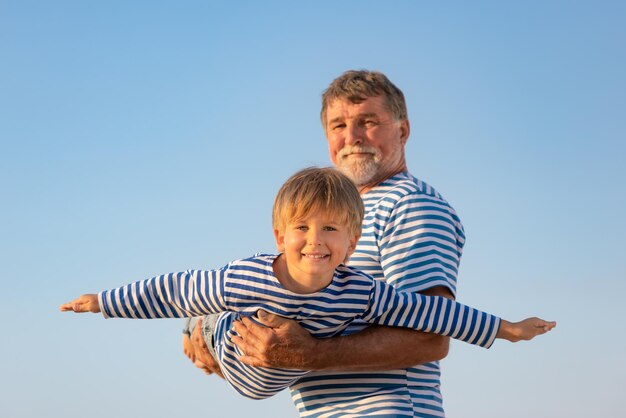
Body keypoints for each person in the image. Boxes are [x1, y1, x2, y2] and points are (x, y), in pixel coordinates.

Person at [184, 70, 545, 417]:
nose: (353, 136)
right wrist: (206, 329)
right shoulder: (335, 217)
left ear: (403, 131)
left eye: (368, 121)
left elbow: (431, 335)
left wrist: (310, 354)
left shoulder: (410, 205)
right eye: (339, 125)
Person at [61, 167, 555, 402]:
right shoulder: (250, 274)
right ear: (280, 234)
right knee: (209, 301)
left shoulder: (362, 291)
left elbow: (433, 315)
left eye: (330, 230)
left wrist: (505, 328)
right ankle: (207, 323)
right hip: (235, 348)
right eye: (301, 229)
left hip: (271, 382)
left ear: (351, 240)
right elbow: (175, 287)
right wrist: (104, 301)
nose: (314, 242)